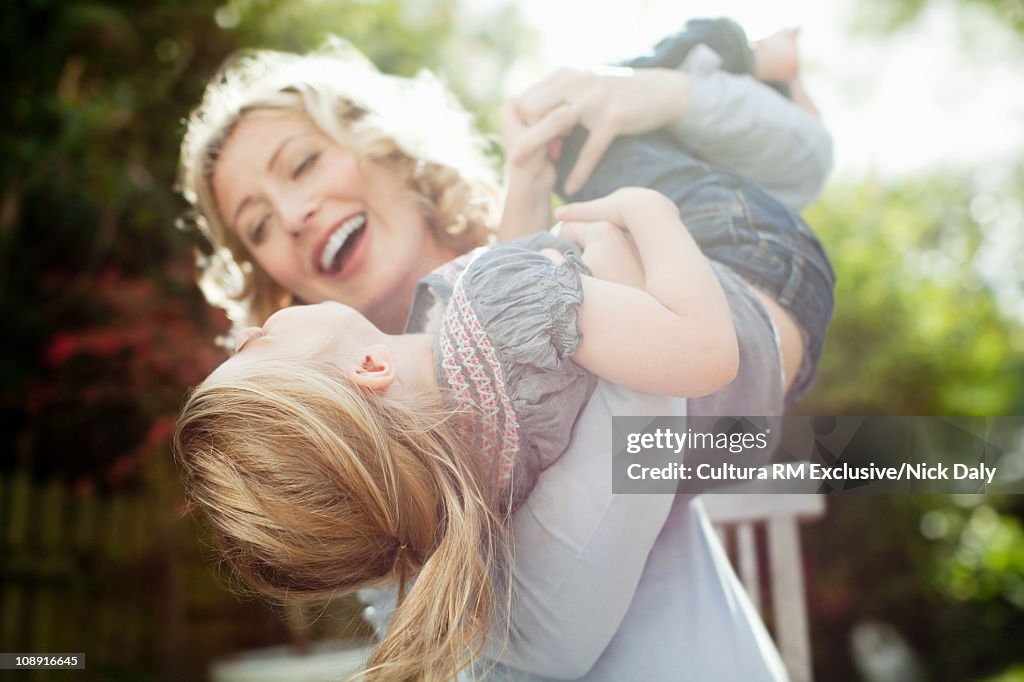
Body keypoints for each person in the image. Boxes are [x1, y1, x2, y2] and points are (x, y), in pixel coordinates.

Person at [175, 17, 834, 680]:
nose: (293, 215)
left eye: (303, 162)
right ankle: (725, 52)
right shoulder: (368, 489)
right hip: (747, 290)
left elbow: (502, 325)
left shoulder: (446, 424)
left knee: (576, 114)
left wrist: (658, 98)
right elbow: (685, 372)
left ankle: (735, 57)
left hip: (737, 310)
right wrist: (646, 205)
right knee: (588, 122)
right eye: (258, 226)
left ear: (384, 146)